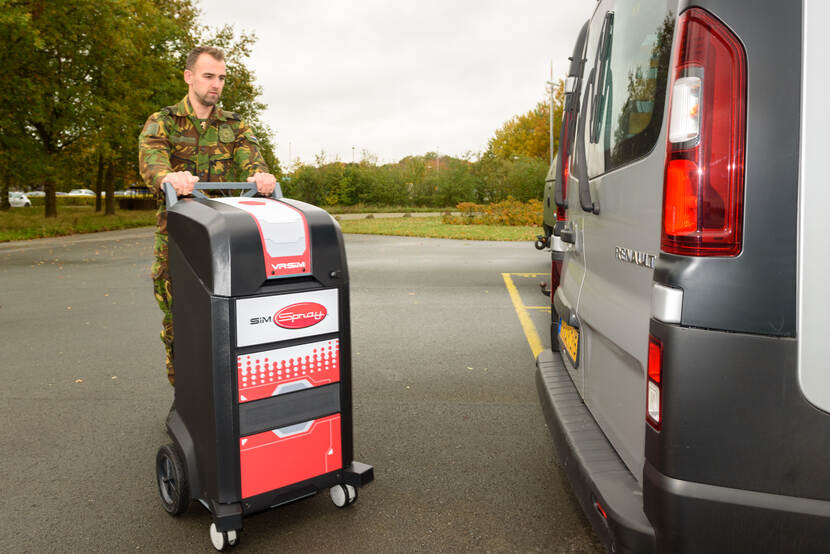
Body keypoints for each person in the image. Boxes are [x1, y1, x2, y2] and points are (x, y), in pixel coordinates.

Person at [138, 46, 277, 386]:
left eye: (222, 78)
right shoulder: (163, 122)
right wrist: (168, 177)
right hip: (178, 239)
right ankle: (186, 398)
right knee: (180, 323)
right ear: (189, 77)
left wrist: (261, 175)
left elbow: (252, 159)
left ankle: (229, 395)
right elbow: (152, 161)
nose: (217, 84)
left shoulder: (235, 125)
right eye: (209, 76)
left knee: (230, 319)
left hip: (223, 239)